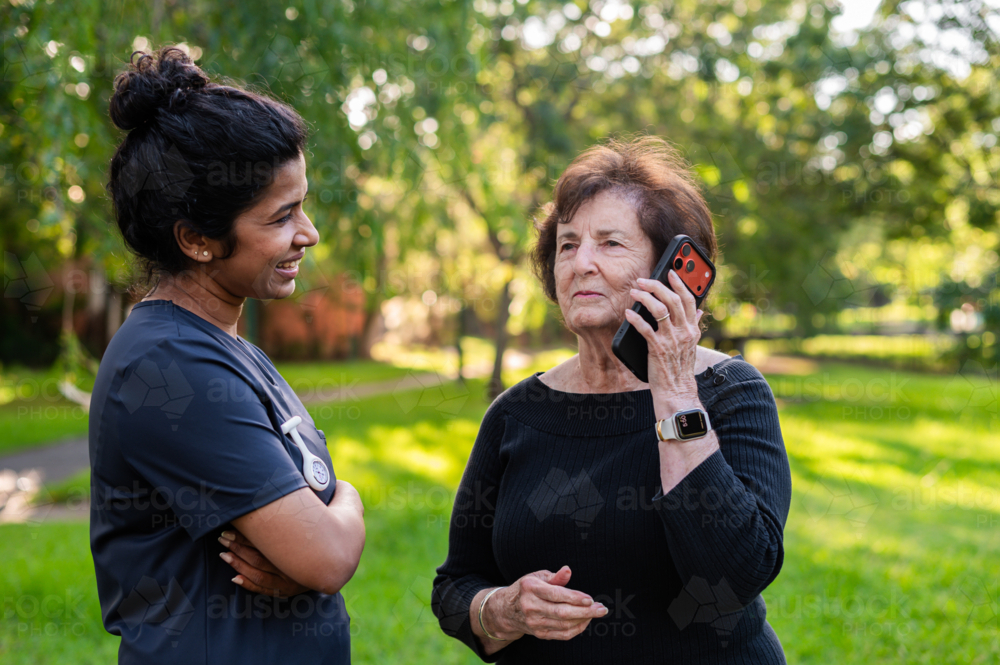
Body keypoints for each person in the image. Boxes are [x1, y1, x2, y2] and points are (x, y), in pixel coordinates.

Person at [432, 137, 792, 663]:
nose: (581, 263)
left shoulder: (731, 392)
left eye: (610, 244)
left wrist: (672, 386)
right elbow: (456, 585)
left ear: (671, 270)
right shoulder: (515, 414)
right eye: (568, 244)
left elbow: (733, 574)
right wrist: (502, 608)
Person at [90, 47, 365, 664]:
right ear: (197, 240)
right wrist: (352, 501)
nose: (309, 233)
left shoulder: (224, 347)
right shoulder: (166, 369)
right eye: (282, 216)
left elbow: (310, 548)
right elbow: (327, 554)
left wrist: (319, 538)